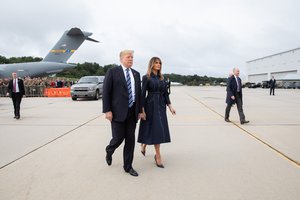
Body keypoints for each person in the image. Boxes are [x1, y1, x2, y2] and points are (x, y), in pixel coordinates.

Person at [102, 50, 142, 177]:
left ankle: (128, 166)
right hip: (117, 112)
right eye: (128, 57)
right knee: (118, 138)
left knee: (130, 140)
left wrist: (140, 110)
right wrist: (107, 110)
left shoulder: (136, 74)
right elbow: (106, 92)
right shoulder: (113, 72)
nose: (131, 59)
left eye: (132, 57)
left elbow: (139, 94)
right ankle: (110, 150)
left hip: (132, 112)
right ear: (121, 59)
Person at [138, 57, 176, 168]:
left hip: (161, 106)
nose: (158, 64)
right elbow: (142, 95)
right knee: (154, 128)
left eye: (160, 63)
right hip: (150, 106)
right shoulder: (146, 77)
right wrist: (142, 110)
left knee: (157, 129)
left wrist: (170, 106)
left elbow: (165, 94)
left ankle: (144, 145)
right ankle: (158, 156)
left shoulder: (162, 78)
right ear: (152, 64)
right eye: (156, 63)